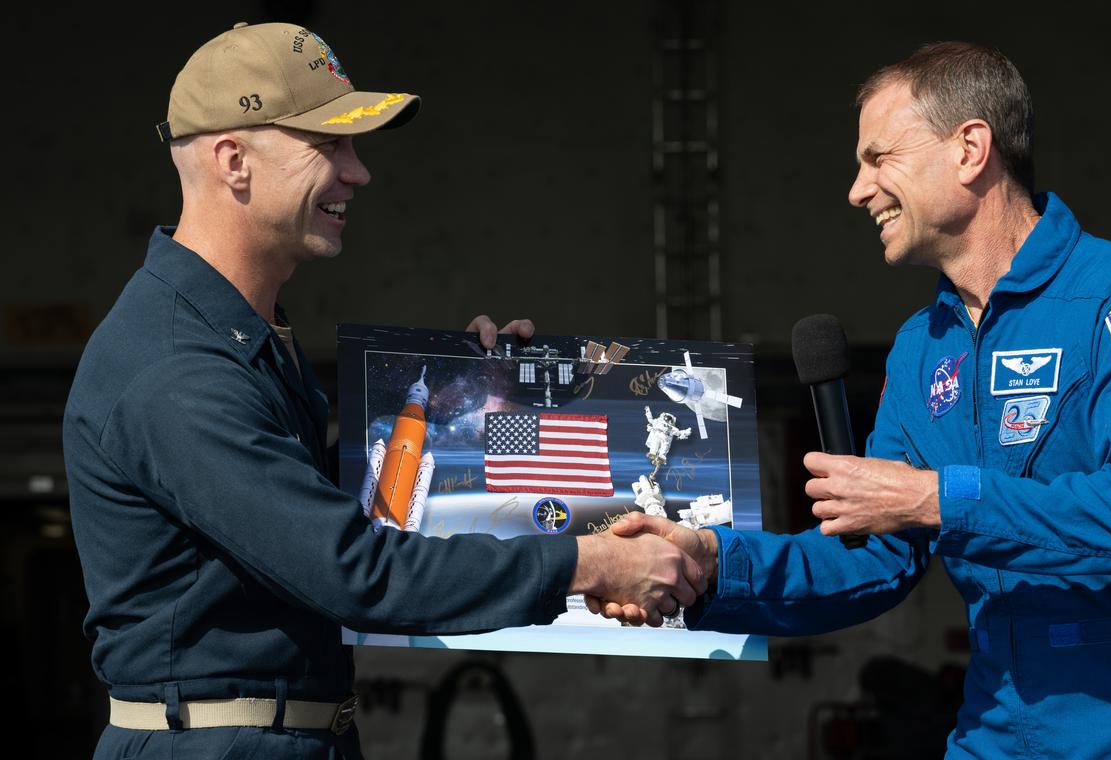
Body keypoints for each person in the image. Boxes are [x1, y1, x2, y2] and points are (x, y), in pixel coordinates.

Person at [64, 22, 702, 759]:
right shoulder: (178, 369)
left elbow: (301, 513)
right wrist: (591, 561)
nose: (358, 172)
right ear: (233, 161)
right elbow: (354, 571)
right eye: (328, 145)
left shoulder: (234, 334)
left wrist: (453, 406)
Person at [599, 42, 1111, 757]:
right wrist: (712, 565)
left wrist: (941, 499)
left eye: (879, 159)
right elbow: (874, 559)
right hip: (995, 733)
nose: (856, 189)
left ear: (971, 149)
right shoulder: (923, 346)